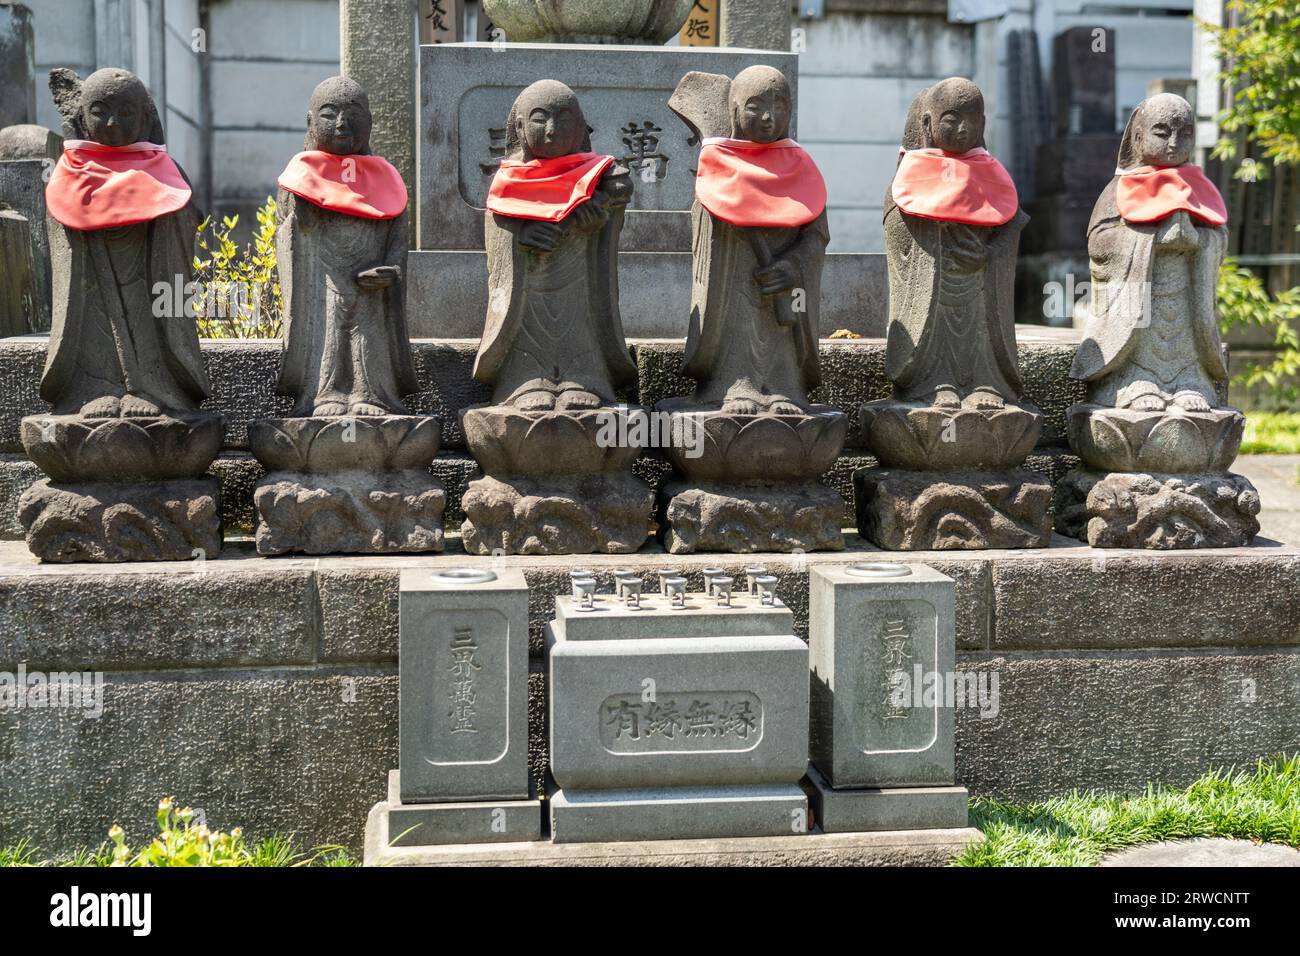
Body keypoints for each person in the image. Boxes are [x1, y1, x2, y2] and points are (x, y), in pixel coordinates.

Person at [275, 76, 416, 418]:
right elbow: (292, 233)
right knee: (327, 329)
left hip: (371, 284)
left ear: (369, 122)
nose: (341, 123)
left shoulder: (385, 177)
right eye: (329, 114)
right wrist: (301, 212)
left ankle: (373, 394)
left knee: (368, 328)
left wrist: (392, 270)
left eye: (353, 114)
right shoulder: (299, 176)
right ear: (311, 122)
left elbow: (398, 237)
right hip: (322, 278)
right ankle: (324, 393)